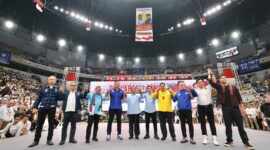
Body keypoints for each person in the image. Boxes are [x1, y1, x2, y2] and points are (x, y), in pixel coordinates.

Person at [208, 68, 255, 149]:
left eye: (224, 77)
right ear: (220, 80)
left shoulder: (233, 87)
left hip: (236, 108)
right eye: (221, 78)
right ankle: (229, 140)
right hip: (225, 108)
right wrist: (210, 74)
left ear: (227, 79)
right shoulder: (219, 87)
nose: (223, 78)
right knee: (228, 125)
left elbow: (240, 98)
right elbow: (211, 82)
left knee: (240, 126)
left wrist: (242, 108)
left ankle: (246, 142)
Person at [28, 76, 64, 147]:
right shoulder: (43, 88)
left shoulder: (58, 88)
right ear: (48, 80)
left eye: (53, 79)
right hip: (42, 108)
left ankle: (49, 139)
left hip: (52, 108)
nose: (52, 80)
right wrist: (35, 107)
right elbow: (39, 98)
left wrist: (61, 93)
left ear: (55, 81)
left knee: (51, 125)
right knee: (39, 125)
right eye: (51, 79)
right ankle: (36, 140)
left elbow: (60, 99)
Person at [194, 79, 219, 146]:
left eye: (201, 82)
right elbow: (191, 95)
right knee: (202, 123)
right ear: (197, 84)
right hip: (200, 107)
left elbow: (214, 81)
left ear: (203, 82)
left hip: (209, 106)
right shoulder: (196, 90)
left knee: (212, 122)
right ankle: (205, 137)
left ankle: (214, 137)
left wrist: (210, 74)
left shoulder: (208, 87)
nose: (200, 83)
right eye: (198, 82)